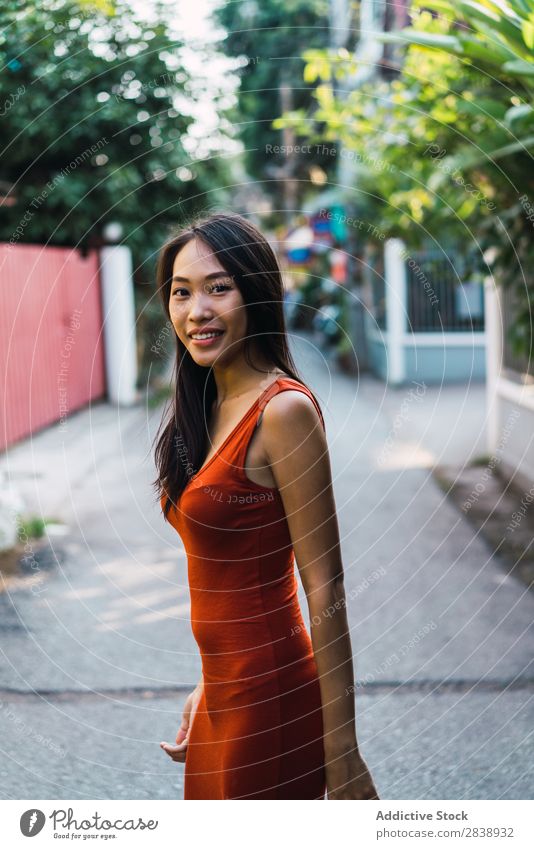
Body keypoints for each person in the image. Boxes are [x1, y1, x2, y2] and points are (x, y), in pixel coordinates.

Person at [153, 211, 379, 800]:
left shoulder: (283, 412)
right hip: (222, 696)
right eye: (181, 293)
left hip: (270, 701)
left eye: (217, 287)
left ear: (255, 292)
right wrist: (208, 686)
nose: (196, 310)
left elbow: (325, 587)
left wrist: (343, 752)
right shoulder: (205, 406)